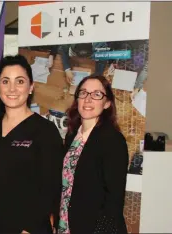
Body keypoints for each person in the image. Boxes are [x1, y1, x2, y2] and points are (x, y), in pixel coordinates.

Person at [0, 55, 64, 233]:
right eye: (5, 81)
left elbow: (51, 186)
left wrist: (29, 227)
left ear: (31, 87)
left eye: (20, 81)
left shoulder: (45, 131)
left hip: (27, 228)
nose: (12, 89)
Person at [57, 75, 128, 234]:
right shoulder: (72, 136)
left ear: (107, 103)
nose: (88, 99)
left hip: (95, 228)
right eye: (83, 93)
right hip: (67, 225)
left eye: (96, 94)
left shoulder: (113, 140)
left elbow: (113, 200)